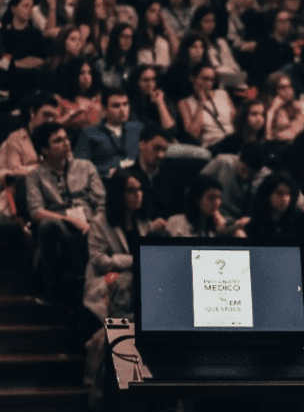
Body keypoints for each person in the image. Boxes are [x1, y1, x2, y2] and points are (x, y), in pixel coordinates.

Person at [25, 123, 106, 308]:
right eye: (58, 141)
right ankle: (50, 288)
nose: (66, 143)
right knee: (47, 225)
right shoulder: (35, 176)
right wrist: (71, 220)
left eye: (66, 138)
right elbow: (36, 211)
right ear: (44, 150)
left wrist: (95, 224)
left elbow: (101, 202)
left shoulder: (85, 167)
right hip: (61, 226)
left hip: (91, 223)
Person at [83, 169, 168, 323]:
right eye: (131, 190)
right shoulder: (100, 222)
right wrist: (135, 260)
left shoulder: (143, 220)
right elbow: (99, 261)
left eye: (140, 189)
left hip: (138, 278)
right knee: (126, 283)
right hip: (107, 279)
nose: (138, 194)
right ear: (119, 194)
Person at [76, 87, 143, 177]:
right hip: (105, 182)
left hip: (136, 180)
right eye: (116, 106)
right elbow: (80, 168)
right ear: (104, 109)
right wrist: (110, 170)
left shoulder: (137, 128)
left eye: (125, 104)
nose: (122, 109)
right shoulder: (88, 133)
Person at [166, 174, 247, 238]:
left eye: (218, 197)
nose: (217, 203)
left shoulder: (223, 223)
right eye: (211, 198)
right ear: (197, 200)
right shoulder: (176, 221)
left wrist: (230, 231)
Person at [178, 63, 236, 148]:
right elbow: (193, 134)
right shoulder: (184, 103)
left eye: (211, 80)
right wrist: (201, 104)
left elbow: (237, 122)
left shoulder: (222, 94)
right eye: (205, 79)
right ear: (193, 78)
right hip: (212, 144)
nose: (208, 83)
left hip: (231, 139)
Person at [245, 172, 304, 242]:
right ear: (267, 194)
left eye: (288, 193)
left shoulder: (298, 219)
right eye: (279, 193)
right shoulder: (255, 222)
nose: (285, 199)